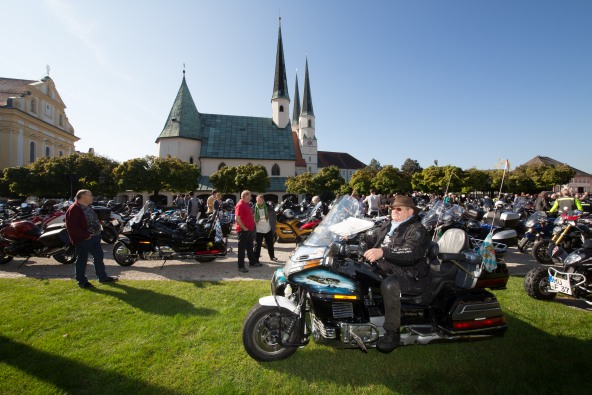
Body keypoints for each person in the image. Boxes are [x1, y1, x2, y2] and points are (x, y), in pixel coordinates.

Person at [363, 195, 430, 353]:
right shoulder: (389, 224)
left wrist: (383, 252)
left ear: (410, 211)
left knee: (390, 284)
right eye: (393, 208)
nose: (394, 211)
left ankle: (392, 333)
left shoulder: (417, 229)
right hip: (389, 266)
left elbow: (411, 252)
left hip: (411, 273)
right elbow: (373, 237)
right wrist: (352, 237)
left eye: (399, 209)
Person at [65, 189, 117, 289]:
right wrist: (86, 235)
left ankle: (102, 277)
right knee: (82, 260)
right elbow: (72, 226)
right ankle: (82, 281)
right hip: (84, 239)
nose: (92, 197)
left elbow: (90, 219)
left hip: (95, 237)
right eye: (90, 195)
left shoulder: (88, 207)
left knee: (98, 257)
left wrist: (99, 224)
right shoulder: (74, 209)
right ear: (83, 196)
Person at [235, 190, 260, 273]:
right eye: (249, 196)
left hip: (249, 229)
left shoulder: (247, 204)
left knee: (249, 247)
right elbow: (237, 218)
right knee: (241, 249)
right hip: (243, 230)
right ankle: (241, 266)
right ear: (245, 196)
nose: (251, 197)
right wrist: (244, 228)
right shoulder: (240, 205)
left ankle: (252, 263)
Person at [253, 195, 279, 263]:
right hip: (258, 230)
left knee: (270, 244)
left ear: (263, 200)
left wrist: (273, 226)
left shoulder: (269, 208)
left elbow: (274, 217)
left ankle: (272, 257)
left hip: (268, 229)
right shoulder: (253, 208)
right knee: (257, 245)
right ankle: (256, 259)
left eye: (260, 201)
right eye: (258, 201)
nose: (259, 202)